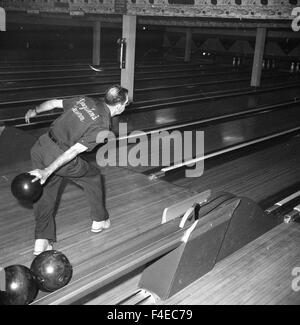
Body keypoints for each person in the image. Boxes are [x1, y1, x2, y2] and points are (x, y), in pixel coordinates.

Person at [25, 85, 129, 255]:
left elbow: (52, 103)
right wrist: (48, 170)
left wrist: (34, 111)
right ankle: (100, 220)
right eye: (126, 103)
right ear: (119, 107)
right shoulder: (102, 126)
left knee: (45, 192)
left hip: (40, 146)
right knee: (94, 177)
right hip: (59, 156)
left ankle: (41, 241)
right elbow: (72, 151)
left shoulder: (85, 100)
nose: (125, 106)